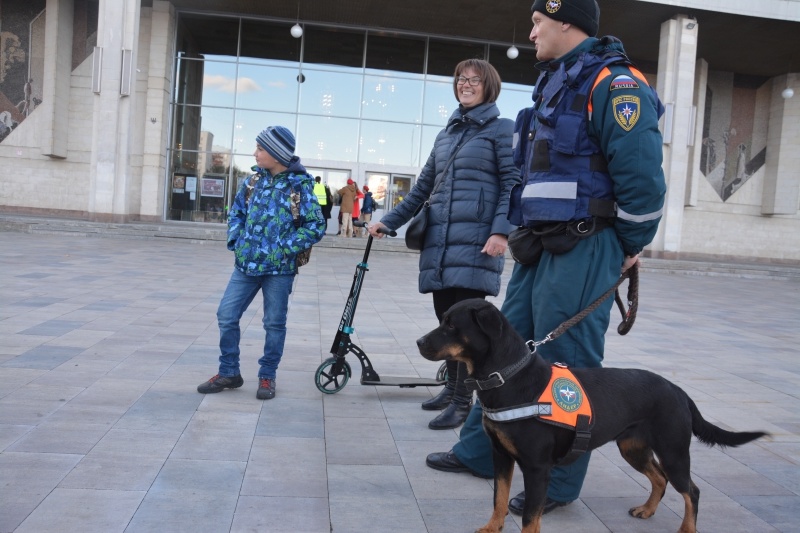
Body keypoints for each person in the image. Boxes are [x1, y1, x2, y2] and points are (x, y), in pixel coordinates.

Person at [425, 0, 667, 516]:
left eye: (538, 21)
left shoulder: (615, 85)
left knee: (569, 363)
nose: (531, 30)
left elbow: (642, 180)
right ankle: (480, 451)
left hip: (585, 243)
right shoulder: (556, 82)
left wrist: (627, 246)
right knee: (500, 349)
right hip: (538, 244)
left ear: (566, 21)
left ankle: (555, 480)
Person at [368, 59, 520, 430]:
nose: (465, 85)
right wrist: (387, 221)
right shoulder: (446, 134)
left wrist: (501, 232)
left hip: (477, 243)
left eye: (474, 80)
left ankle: (464, 401)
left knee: (467, 330)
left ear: (489, 87)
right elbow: (422, 189)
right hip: (441, 243)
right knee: (446, 324)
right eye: (460, 79)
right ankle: (451, 391)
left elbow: (513, 183)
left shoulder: (503, 129)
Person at [197, 126, 325, 400]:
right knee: (226, 315)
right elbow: (236, 214)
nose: (255, 153)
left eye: (261, 148)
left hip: (279, 270)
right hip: (246, 266)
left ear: (277, 154)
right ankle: (229, 372)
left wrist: (283, 250)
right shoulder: (252, 182)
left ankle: (267, 376)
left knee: (274, 324)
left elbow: (315, 225)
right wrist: (237, 242)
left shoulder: (299, 186)